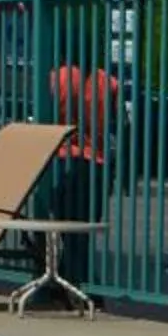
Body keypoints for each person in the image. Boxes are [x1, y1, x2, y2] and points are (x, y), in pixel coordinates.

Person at [46, 60, 120, 285]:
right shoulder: (108, 82)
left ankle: (69, 280)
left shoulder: (57, 77)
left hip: (61, 155)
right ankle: (78, 280)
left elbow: (45, 114)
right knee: (83, 229)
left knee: (60, 225)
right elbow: (115, 123)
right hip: (94, 160)